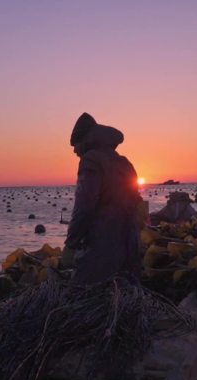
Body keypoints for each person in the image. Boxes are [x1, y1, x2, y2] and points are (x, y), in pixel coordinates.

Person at [63, 113, 143, 285]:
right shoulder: (125, 163)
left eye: (75, 145)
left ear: (85, 141)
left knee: (85, 295)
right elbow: (138, 204)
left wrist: (71, 244)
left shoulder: (90, 160)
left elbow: (84, 206)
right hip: (130, 246)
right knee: (121, 296)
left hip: (102, 246)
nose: (75, 151)